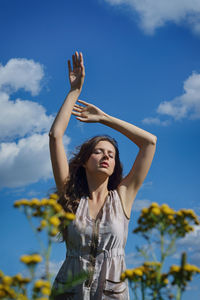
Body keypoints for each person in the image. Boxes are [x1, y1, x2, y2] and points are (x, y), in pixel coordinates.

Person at [49, 51, 157, 300]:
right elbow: (55, 136)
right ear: (85, 162)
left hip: (112, 294)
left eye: (111, 153)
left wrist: (104, 119)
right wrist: (74, 92)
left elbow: (149, 143)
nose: (106, 156)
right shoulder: (71, 196)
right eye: (98, 152)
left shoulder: (122, 197)